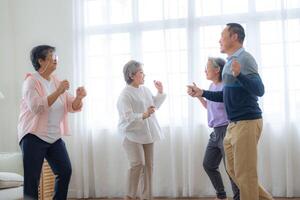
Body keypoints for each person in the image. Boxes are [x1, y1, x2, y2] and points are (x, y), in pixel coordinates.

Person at [187, 23, 273, 200]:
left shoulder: (245, 59)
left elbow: (259, 89)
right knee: (234, 171)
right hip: (233, 125)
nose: (219, 39)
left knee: (246, 174)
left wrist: (240, 75)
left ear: (234, 37)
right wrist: (202, 93)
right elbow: (224, 96)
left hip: (247, 122)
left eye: (222, 35)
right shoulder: (228, 64)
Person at [17, 45, 87, 200]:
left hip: (53, 137)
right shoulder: (31, 82)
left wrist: (79, 97)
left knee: (65, 170)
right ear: (41, 61)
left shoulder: (56, 81)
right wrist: (58, 92)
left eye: (56, 57)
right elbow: (37, 107)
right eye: (52, 57)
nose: (56, 60)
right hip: (33, 135)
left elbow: (71, 106)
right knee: (32, 179)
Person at [117, 60, 166, 200]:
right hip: (130, 134)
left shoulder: (144, 89)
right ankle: (130, 196)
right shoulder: (125, 95)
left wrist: (160, 91)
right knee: (138, 163)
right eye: (141, 72)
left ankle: (147, 197)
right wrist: (143, 115)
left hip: (146, 133)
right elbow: (127, 117)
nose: (144, 75)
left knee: (149, 166)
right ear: (132, 75)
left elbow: (154, 104)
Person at [195, 57, 239, 200]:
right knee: (208, 164)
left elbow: (223, 102)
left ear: (217, 69)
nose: (205, 71)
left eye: (207, 67)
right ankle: (221, 195)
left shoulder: (225, 86)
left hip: (227, 130)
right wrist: (198, 96)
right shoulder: (212, 87)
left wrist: (202, 93)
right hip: (215, 132)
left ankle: (238, 197)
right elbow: (210, 106)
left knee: (231, 170)